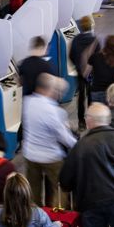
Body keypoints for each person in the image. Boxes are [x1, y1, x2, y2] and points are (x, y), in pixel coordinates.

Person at [22, 74, 77, 209]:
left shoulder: (27, 102)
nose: (58, 95)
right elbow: (64, 138)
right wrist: (79, 145)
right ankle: (56, 217)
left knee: (34, 191)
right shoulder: (54, 111)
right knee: (60, 188)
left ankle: (35, 216)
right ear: (49, 90)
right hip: (52, 158)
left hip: (30, 154)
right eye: (57, 91)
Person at [87, 35, 114, 105]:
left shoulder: (95, 57)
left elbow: (87, 73)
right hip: (111, 93)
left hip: (95, 92)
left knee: (96, 113)